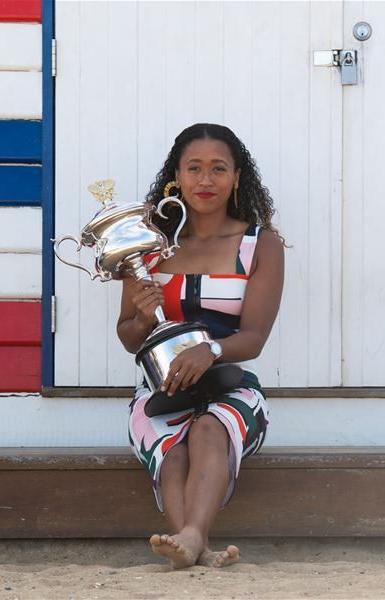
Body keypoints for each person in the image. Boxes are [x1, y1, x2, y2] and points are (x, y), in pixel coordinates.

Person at [116, 123, 285, 569]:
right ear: (176, 176)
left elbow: (254, 338)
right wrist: (143, 315)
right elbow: (129, 336)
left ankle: (189, 538)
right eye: (194, 168)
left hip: (232, 385)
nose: (205, 180)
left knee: (210, 430)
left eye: (218, 169)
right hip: (160, 389)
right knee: (172, 447)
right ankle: (193, 545)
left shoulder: (261, 245)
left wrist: (208, 349)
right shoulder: (147, 246)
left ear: (236, 178)